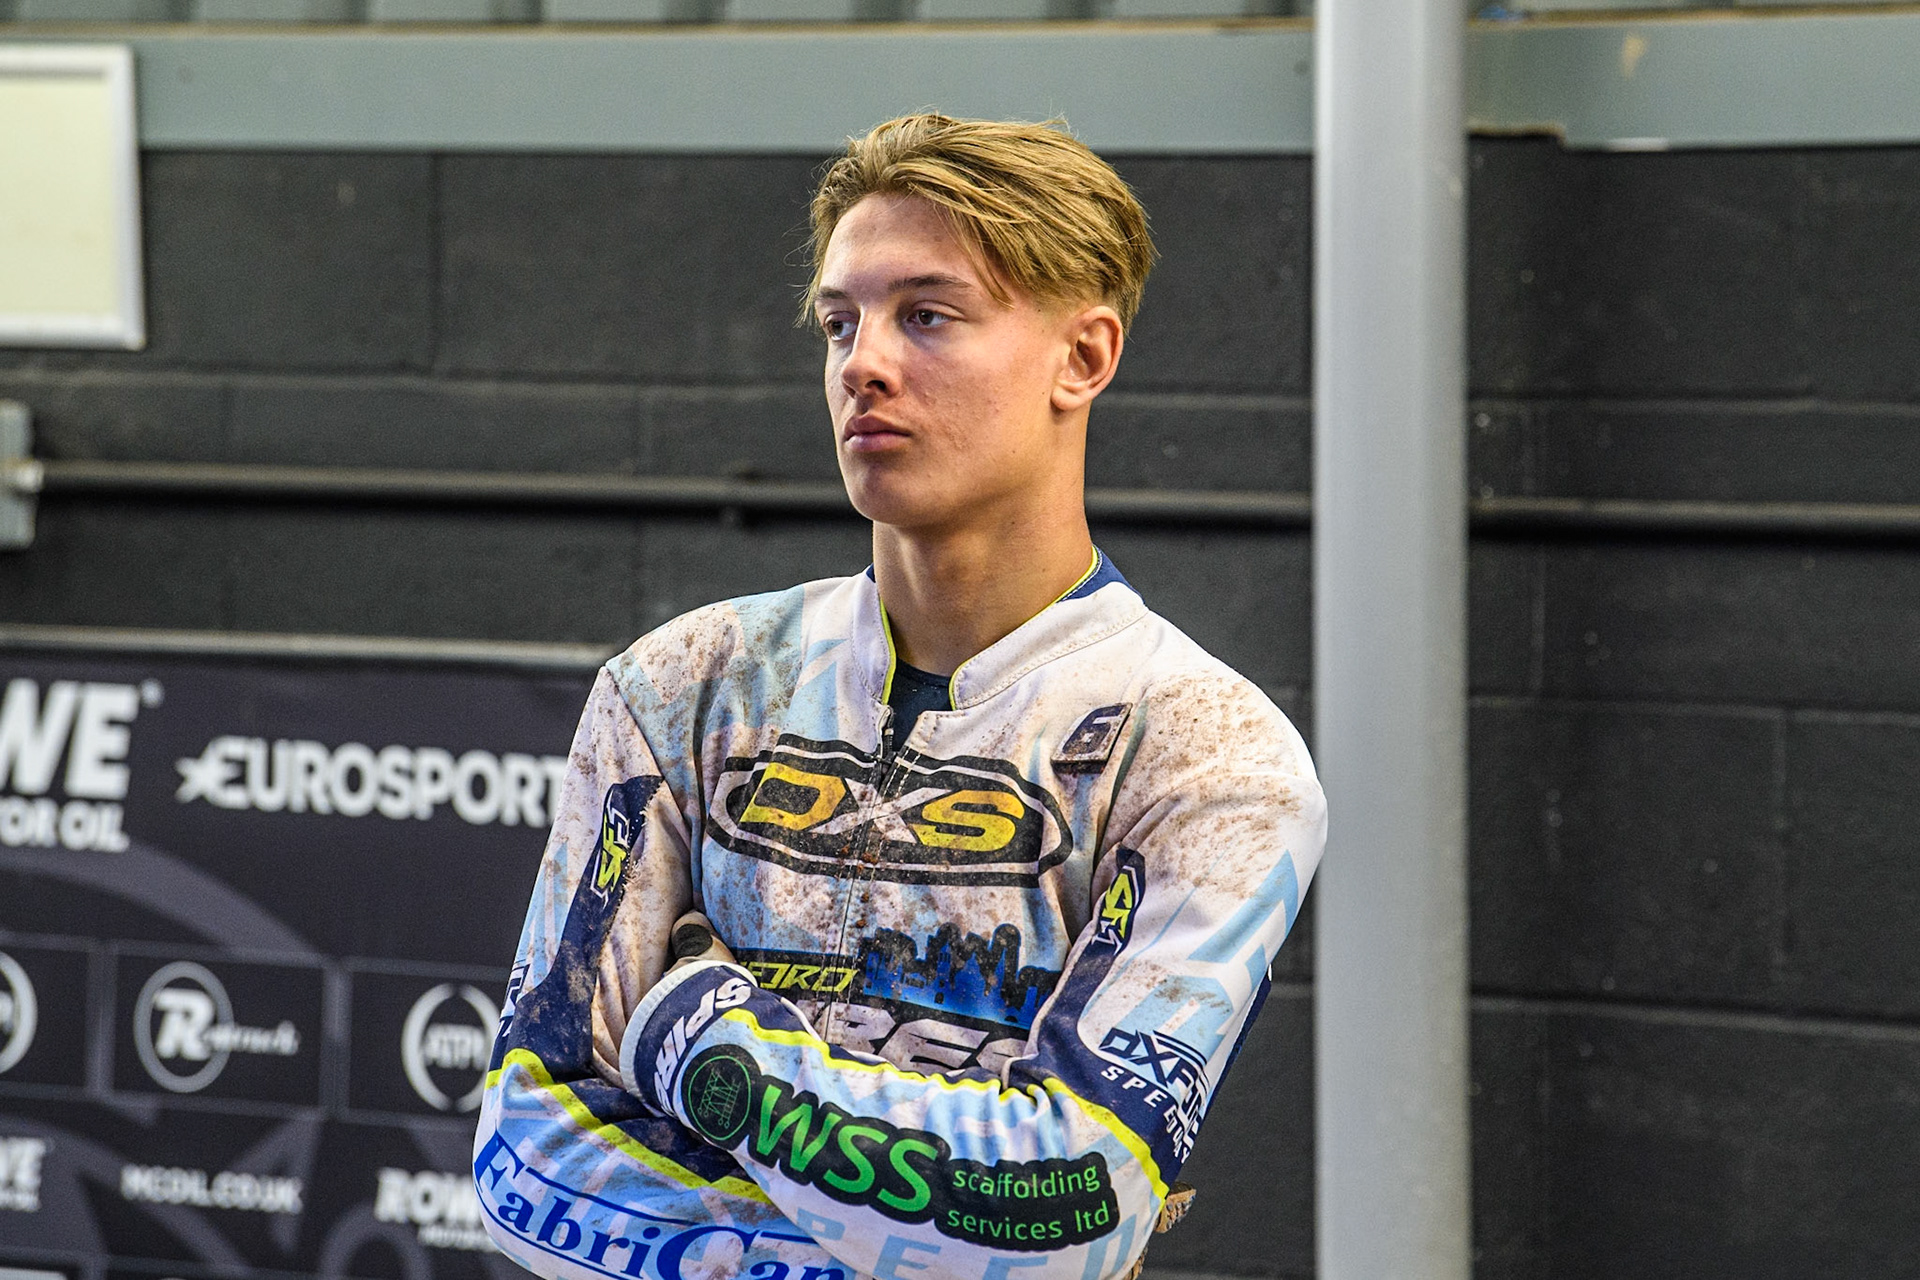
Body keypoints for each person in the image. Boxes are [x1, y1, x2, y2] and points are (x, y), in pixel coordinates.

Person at [473, 113, 1325, 1280]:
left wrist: (702, 1045)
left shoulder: (1208, 752)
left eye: (927, 315)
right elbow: (528, 1161)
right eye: (840, 321)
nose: (862, 361)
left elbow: (1067, 1207)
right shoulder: (681, 685)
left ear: (1083, 356)